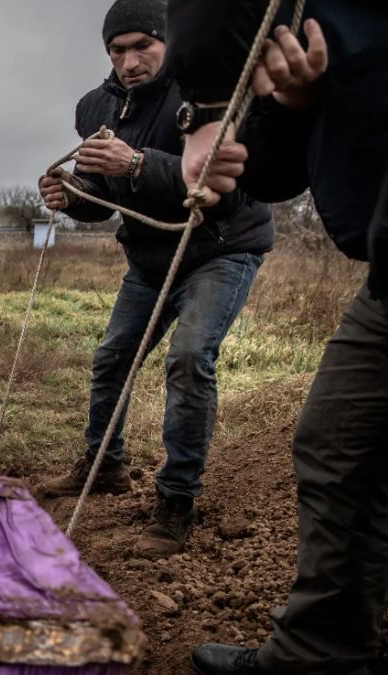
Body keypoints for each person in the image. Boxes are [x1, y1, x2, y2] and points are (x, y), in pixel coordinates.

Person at [160, 2, 388, 672]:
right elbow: (274, 172)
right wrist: (295, 100)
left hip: (236, 250)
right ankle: (320, 649)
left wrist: (204, 114)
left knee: (191, 357)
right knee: (339, 440)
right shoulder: (327, 32)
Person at [35, 0, 275, 559]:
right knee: (112, 357)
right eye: (118, 50)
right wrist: (72, 197)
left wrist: (139, 162)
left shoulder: (208, 91)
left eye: (144, 45)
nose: (130, 61)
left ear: (167, 42)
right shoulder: (95, 106)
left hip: (220, 249)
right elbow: (105, 201)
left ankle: (175, 504)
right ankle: (104, 465)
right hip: (149, 259)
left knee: (189, 357)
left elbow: (228, 191)